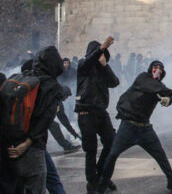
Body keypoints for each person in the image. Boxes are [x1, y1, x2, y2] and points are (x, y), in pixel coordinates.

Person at [96, 61, 172, 193]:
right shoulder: (143, 78)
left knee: (160, 155)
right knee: (112, 155)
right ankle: (102, 185)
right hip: (128, 126)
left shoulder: (159, 86)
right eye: (155, 68)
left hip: (145, 128)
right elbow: (154, 88)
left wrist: (168, 100)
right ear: (150, 69)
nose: (157, 70)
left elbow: (164, 93)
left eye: (160, 69)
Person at [0, 47, 65, 194]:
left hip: (8, 144)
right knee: (36, 188)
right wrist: (27, 143)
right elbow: (44, 120)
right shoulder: (51, 86)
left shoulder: (22, 77)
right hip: (31, 147)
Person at [76, 36, 120, 193]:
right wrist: (101, 48)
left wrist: (105, 65)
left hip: (101, 112)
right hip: (85, 111)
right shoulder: (83, 66)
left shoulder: (102, 69)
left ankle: (102, 175)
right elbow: (89, 61)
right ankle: (92, 182)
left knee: (112, 143)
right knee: (91, 149)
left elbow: (115, 82)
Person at [48, 85, 81, 153]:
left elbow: (64, 120)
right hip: (38, 118)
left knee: (54, 125)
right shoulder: (53, 99)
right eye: (66, 96)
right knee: (54, 126)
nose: (66, 99)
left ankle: (67, 146)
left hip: (43, 119)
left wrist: (73, 133)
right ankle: (67, 146)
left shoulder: (57, 102)